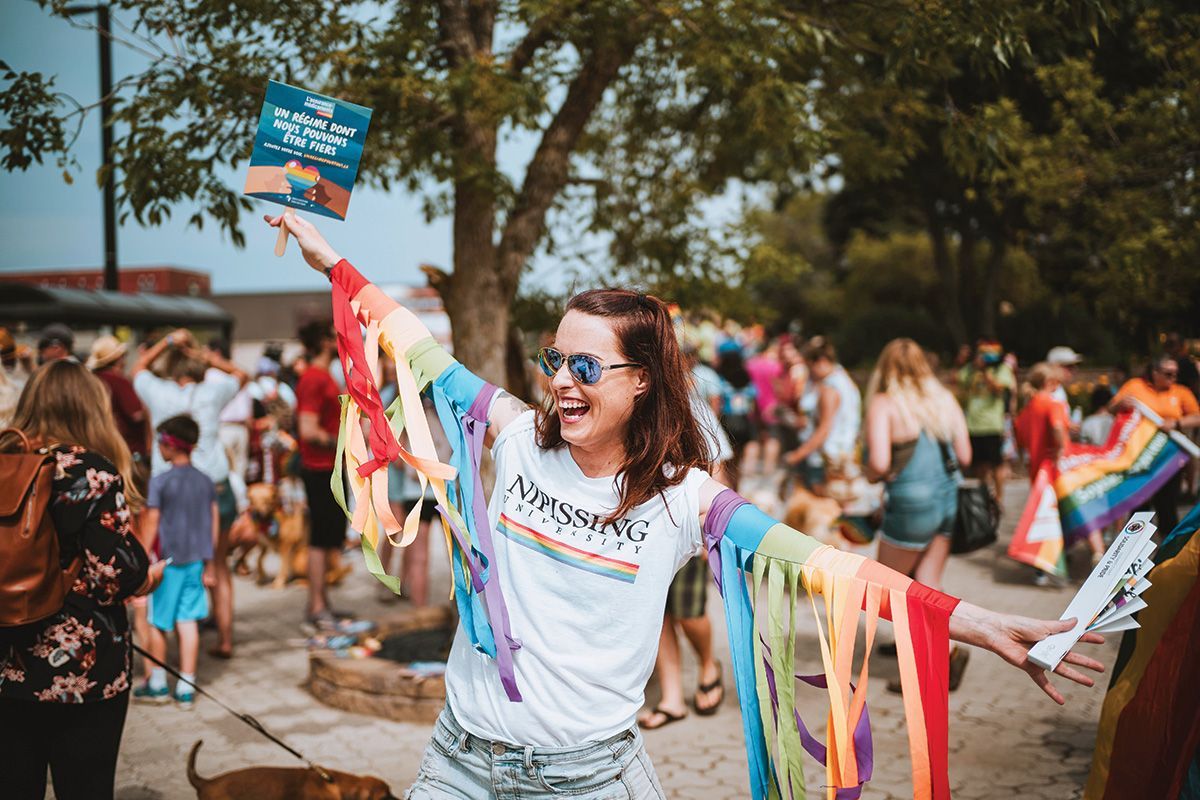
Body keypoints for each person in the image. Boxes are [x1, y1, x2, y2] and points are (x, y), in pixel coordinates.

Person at [268, 212, 1105, 798]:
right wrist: (329, 259)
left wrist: (981, 622)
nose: (562, 380)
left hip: (587, 779)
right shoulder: (514, 435)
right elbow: (409, 343)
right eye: (557, 358)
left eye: (587, 368)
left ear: (640, 382)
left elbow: (839, 573)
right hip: (458, 762)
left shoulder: (686, 502)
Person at [0, 360, 165, 800]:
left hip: (6, 660)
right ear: (91, 408)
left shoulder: (4, 459)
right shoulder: (92, 472)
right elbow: (113, 575)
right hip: (84, 668)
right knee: (85, 788)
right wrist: (146, 579)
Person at [864, 339, 972, 689]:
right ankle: (946, 650)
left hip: (911, 504)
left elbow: (879, 463)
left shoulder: (885, 403)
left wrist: (870, 474)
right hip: (947, 498)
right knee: (928, 580)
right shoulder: (943, 398)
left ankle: (926, 663)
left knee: (889, 587)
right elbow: (965, 457)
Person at [131, 329, 244, 658]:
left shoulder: (157, 391)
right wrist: (205, 354)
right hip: (214, 485)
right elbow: (241, 374)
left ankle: (170, 642)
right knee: (218, 567)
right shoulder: (213, 389)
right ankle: (224, 639)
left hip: (169, 493)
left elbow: (137, 369)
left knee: (170, 564)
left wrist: (166, 342)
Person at [133, 415, 216, 709]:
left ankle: (157, 684)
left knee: (157, 623)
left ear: (169, 444)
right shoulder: (205, 481)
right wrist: (211, 561)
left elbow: (152, 522)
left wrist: (140, 557)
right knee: (188, 622)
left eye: (160, 442)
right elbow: (213, 522)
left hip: (166, 564)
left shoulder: (160, 482)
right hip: (195, 561)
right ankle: (186, 685)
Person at [294, 319, 349, 628]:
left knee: (329, 538)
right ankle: (316, 606)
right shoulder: (314, 379)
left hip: (330, 467)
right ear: (326, 342)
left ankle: (322, 602)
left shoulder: (323, 376)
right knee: (319, 538)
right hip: (320, 469)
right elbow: (308, 429)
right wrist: (344, 441)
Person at [1111, 356, 1200, 535]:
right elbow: (1112, 408)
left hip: (1168, 458)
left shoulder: (1181, 391)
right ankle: (1134, 552)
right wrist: (1120, 404)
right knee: (1139, 506)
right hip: (1140, 457)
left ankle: (1166, 556)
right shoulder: (1135, 386)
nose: (1173, 378)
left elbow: (1197, 417)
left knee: (1167, 506)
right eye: (1168, 373)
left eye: (1175, 374)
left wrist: (1176, 423)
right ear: (1155, 373)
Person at [786, 337, 861, 490]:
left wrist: (796, 455)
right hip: (843, 454)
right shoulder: (843, 379)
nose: (809, 374)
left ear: (820, 361)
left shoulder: (829, 389)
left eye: (808, 367)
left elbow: (824, 429)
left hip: (827, 460)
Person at [958, 340, 1014, 502]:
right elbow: (958, 382)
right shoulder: (969, 370)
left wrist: (985, 371)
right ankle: (982, 496)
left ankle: (999, 498)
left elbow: (999, 389)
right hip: (973, 425)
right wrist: (962, 362)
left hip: (992, 424)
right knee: (979, 465)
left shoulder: (1001, 369)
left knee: (996, 463)